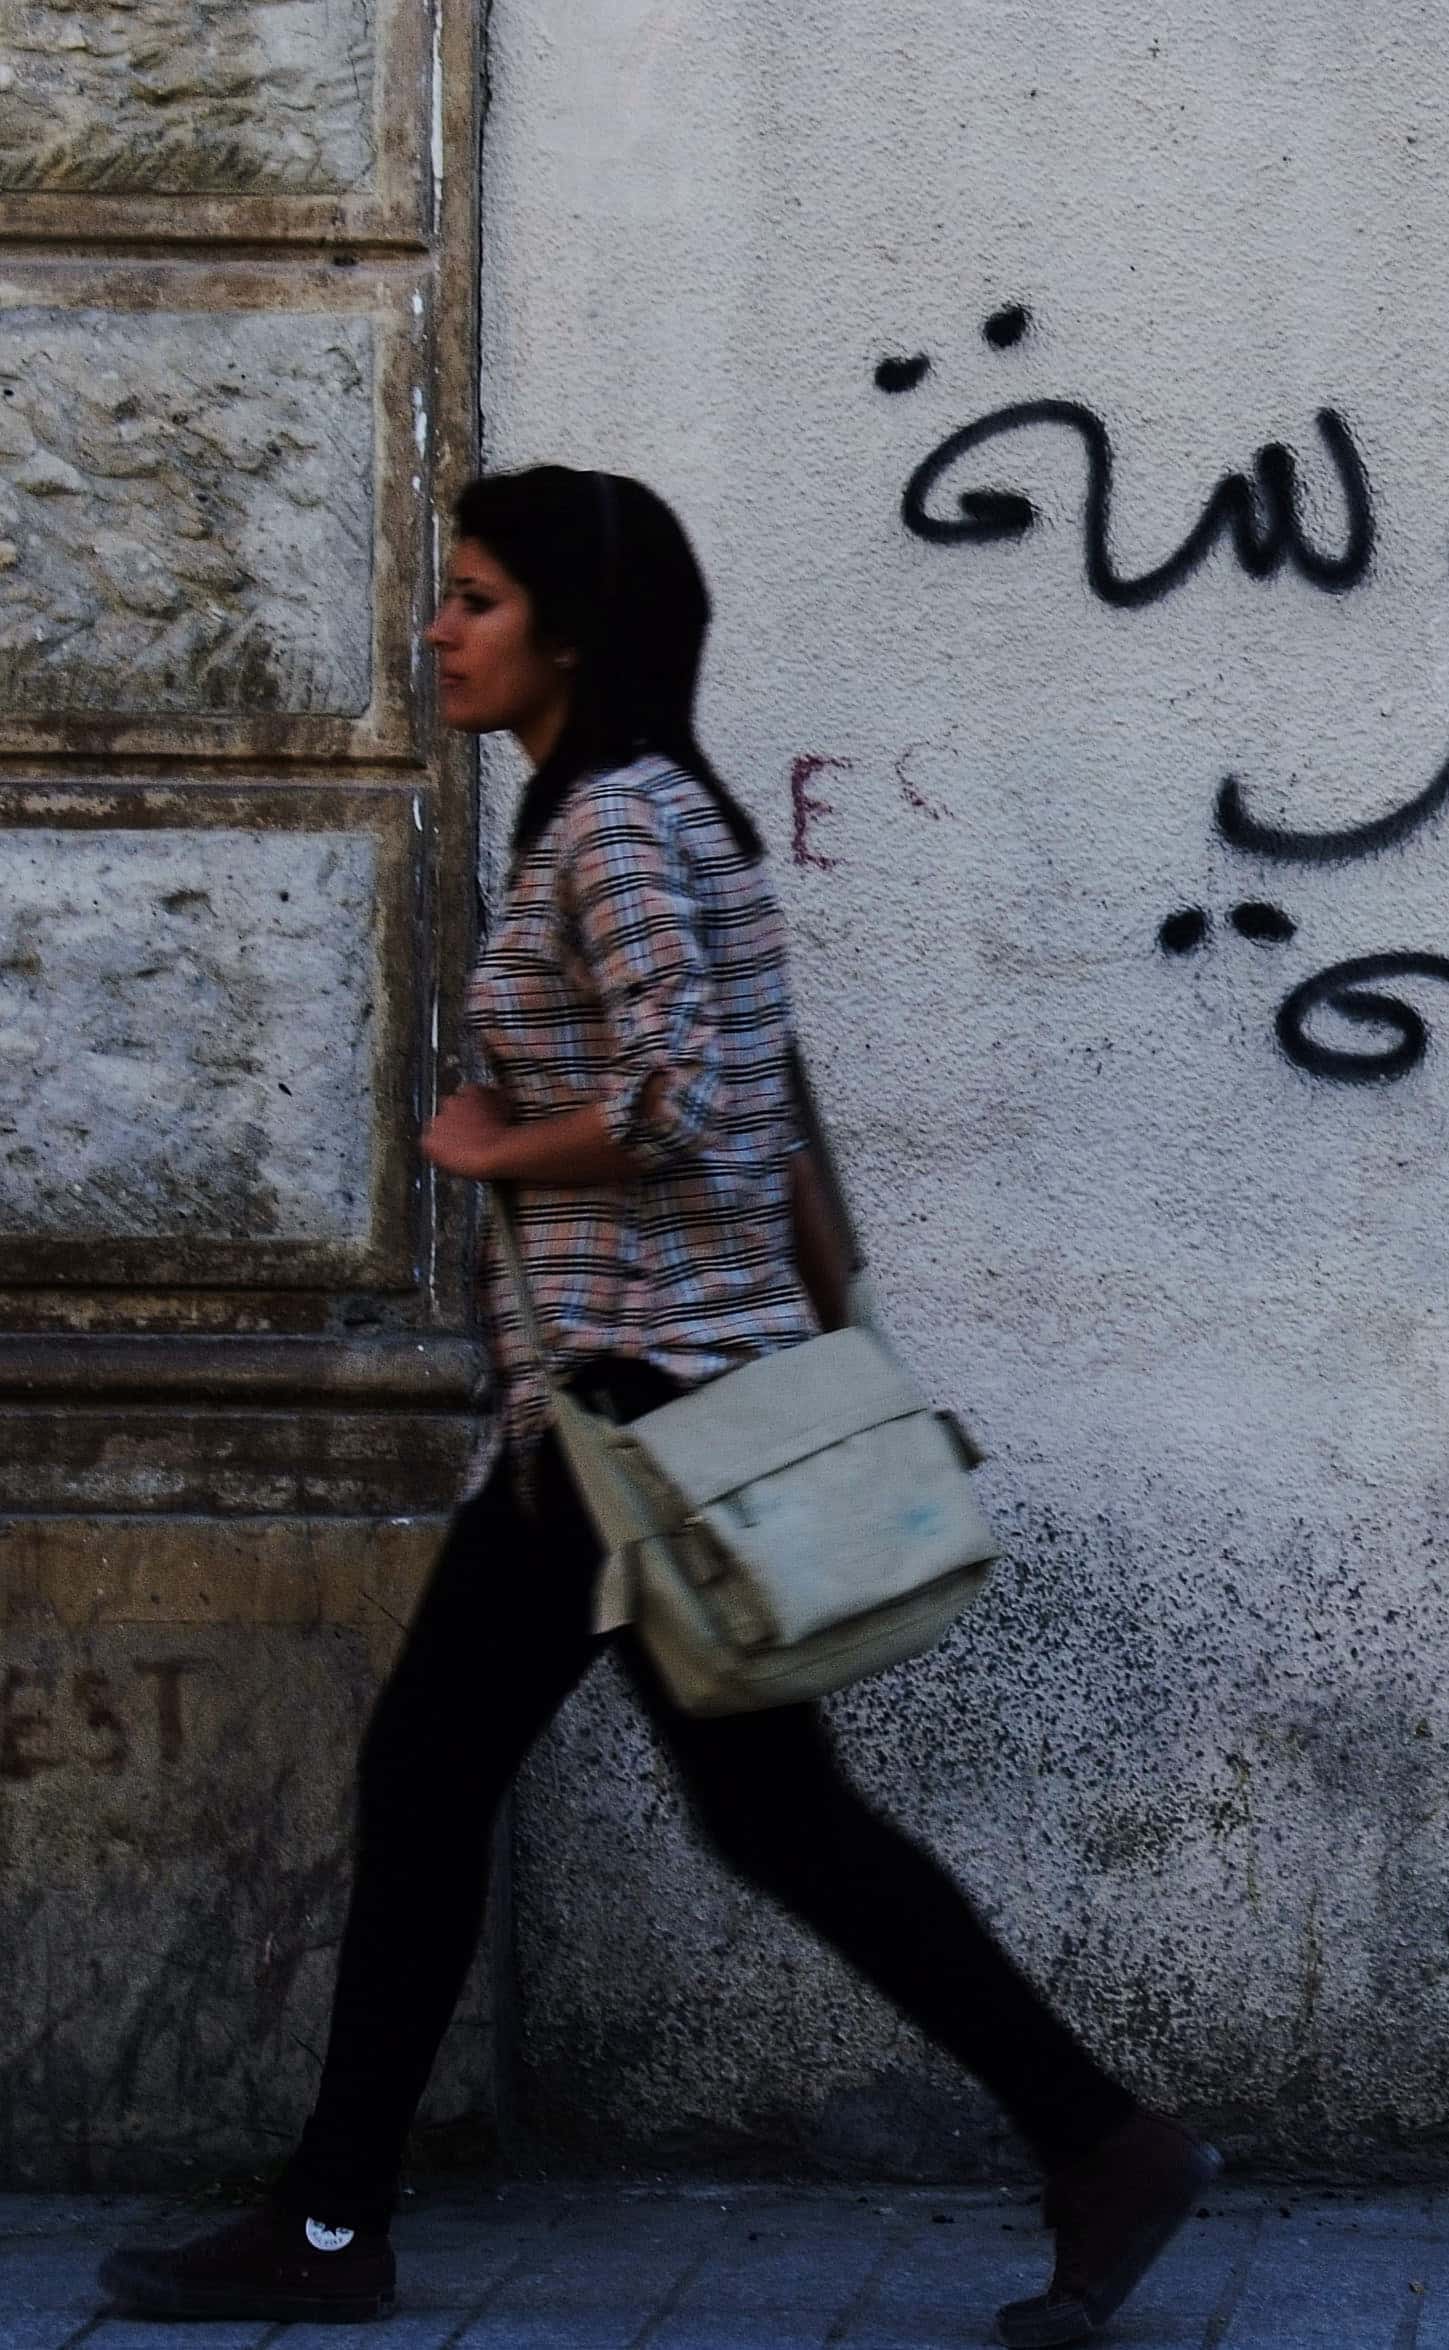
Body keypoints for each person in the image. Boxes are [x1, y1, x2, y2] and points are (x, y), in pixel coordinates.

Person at [96, 468, 1213, 2348]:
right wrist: (812, 1318)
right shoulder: (653, 813)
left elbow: (687, 1098)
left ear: (573, 630)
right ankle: (1099, 2140)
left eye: (475, 597)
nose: (440, 627)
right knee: (775, 1823)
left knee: (442, 1782)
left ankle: (329, 2226)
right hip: (667, 1397)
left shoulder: (612, 824)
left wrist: (484, 1146)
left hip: (624, 1415)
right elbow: (768, 1114)